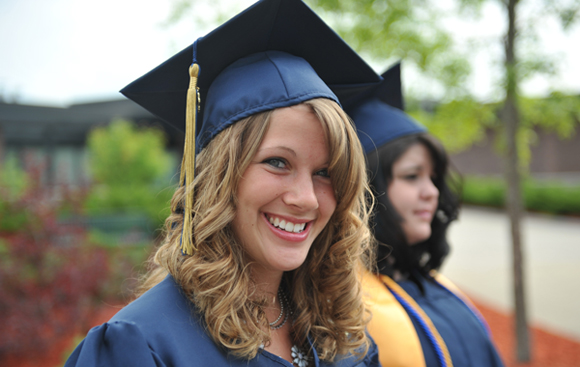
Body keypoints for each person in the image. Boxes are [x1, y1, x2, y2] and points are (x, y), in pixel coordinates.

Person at [64, 1, 382, 366]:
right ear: (219, 177)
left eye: (325, 172)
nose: (306, 198)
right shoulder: (143, 345)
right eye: (277, 163)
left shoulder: (341, 337)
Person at [347, 63, 504, 367]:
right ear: (364, 191)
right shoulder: (344, 314)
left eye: (432, 177)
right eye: (411, 176)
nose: (432, 191)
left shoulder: (434, 286)